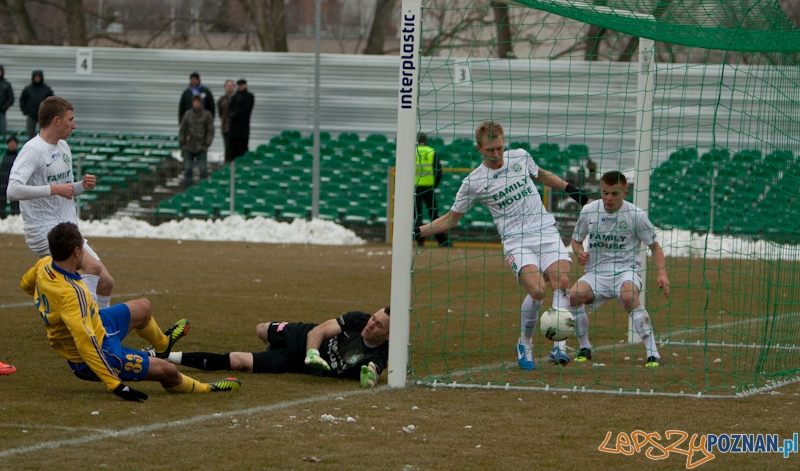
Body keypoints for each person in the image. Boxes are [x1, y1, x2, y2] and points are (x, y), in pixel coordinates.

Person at [415, 121, 590, 370]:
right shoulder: (473, 182)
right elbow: (451, 219)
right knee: (538, 290)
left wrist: (569, 188)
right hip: (516, 241)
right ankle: (524, 343)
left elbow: (539, 173)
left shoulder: (520, 157)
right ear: (479, 149)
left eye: (499, 148)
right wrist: (419, 230)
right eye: (490, 150)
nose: (496, 155)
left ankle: (558, 346)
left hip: (545, 232)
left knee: (561, 282)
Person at [20, 222, 241, 401]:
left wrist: (49, 305)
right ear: (77, 251)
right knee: (168, 372)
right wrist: (115, 385)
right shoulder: (73, 294)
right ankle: (207, 389)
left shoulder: (44, 265)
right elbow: (87, 343)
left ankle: (163, 346)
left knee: (143, 307)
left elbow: (26, 285)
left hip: (99, 324)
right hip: (100, 354)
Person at [7, 96, 114, 309]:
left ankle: (101, 326)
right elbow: (12, 190)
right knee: (91, 268)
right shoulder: (33, 150)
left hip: (68, 228)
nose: (74, 125)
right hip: (43, 230)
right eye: (70, 120)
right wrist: (54, 189)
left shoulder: (63, 147)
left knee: (106, 283)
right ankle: (91, 326)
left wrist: (81, 185)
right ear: (56, 121)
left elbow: (65, 190)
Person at [569, 170, 670, 367]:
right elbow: (576, 240)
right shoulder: (589, 210)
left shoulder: (636, 215)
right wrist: (579, 252)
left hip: (626, 270)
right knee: (573, 296)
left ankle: (652, 352)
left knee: (629, 297)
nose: (608, 198)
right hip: (596, 273)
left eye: (614, 193)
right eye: (605, 192)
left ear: (625, 193)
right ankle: (585, 348)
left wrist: (662, 273)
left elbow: (655, 246)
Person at [167, 306, 390, 389]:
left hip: (293, 362)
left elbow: (375, 369)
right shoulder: (358, 319)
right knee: (261, 329)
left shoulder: (381, 353)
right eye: (373, 318)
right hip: (300, 336)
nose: (371, 324)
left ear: (388, 335)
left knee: (238, 362)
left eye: (378, 324)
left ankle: (169, 357)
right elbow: (317, 332)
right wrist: (312, 352)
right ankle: (271, 346)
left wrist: (370, 377)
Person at [414, 133, 449, 248]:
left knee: (417, 216)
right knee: (434, 216)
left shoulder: (412, 152)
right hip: (429, 188)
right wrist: (435, 185)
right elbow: (438, 171)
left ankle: (419, 240)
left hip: (415, 188)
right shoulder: (432, 151)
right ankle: (442, 241)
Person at [179, 94, 214, 188]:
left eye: (198, 101)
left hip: (201, 146)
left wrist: (207, 143)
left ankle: (203, 189)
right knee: (187, 170)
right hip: (189, 146)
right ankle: (187, 190)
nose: (196, 103)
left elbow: (210, 130)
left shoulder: (207, 115)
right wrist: (182, 142)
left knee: (203, 170)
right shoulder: (187, 114)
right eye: (195, 101)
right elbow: (182, 129)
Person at [19, 70, 54, 139]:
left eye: (38, 77)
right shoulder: (28, 89)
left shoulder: (46, 89)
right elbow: (22, 100)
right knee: (30, 135)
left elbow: (52, 101)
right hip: (31, 115)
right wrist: (25, 111)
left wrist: (48, 112)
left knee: (44, 134)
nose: (37, 79)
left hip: (43, 116)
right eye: (35, 77)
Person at [227, 78, 255, 161]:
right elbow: (229, 110)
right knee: (233, 150)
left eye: (242, 85)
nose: (240, 87)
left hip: (243, 129)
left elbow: (246, 110)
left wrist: (235, 114)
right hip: (234, 129)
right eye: (239, 85)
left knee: (242, 149)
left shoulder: (249, 97)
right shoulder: (234, 97)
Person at [1, 135, 21, 218]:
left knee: (16, 204)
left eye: (14, 143)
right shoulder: (3, 157)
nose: (12, 144)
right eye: (10, 143)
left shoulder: (20, 157)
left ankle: (15, 217)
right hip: (3, 183)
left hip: (16, 183)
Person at [217, 79, 235, 163]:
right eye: (228, 86)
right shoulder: (221, 100)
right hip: (225, 128)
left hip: (236, 129)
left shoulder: (237, 99)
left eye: (231, 86)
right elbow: (220, 113)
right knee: (227, 148)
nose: (229, 88)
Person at [0, 64, 14, 138]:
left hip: (2, 111)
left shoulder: (6, 84)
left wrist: (4, 107)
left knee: (2, 129)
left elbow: (10, 98)